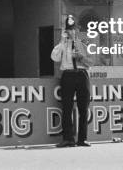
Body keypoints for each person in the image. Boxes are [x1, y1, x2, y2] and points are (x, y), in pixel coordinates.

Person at [50, 14, 92, 147]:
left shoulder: (84, 42)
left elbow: (91, 62)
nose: (71, 32)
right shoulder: (63, 44)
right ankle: (68, 139)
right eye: (68, 29)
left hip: (81, 74)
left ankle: (82, 139)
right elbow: (54, 58)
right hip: (68, 75)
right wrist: (62, 43)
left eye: (73, 29)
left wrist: (80, 57)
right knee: (67, 108)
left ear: (77, 30)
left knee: (83, 108)